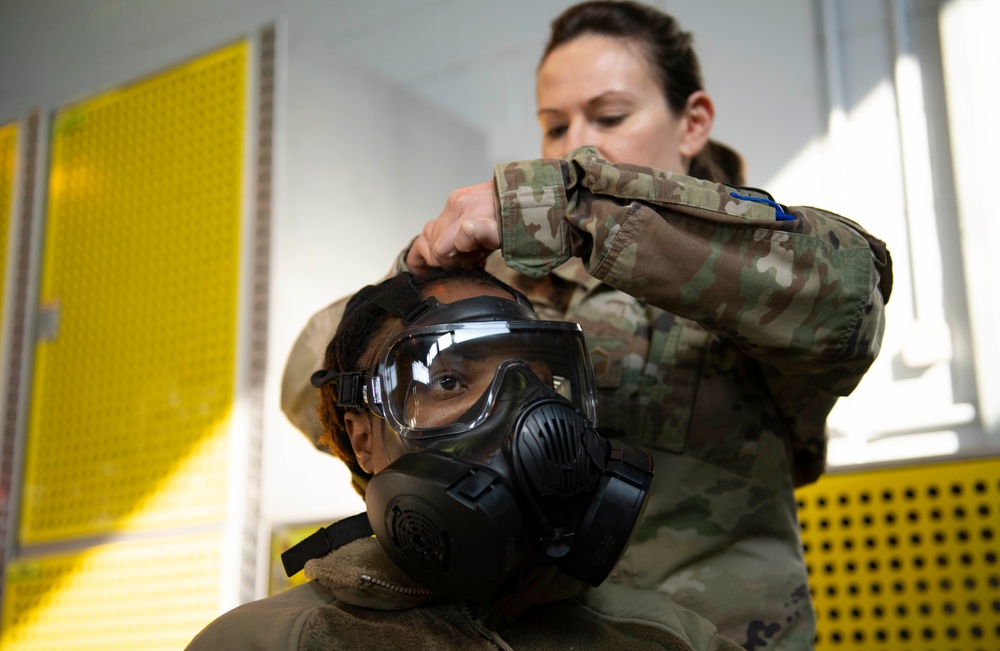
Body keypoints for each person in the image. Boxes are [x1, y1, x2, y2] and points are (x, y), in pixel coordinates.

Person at [281, 0, 893, 650]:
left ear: (693, 123)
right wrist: (416, 289)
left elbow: (849, 294)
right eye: (553, 126)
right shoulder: (506, 283)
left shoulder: (751, 277)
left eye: (609, 116)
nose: (574, 145)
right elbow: (306, 382)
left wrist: (559, 206)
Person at [190, 268, 744, 651]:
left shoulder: (669, 636)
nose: (523, 414)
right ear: (363, 441)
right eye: (449, 380)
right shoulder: (267, 642)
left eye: (539, 381)